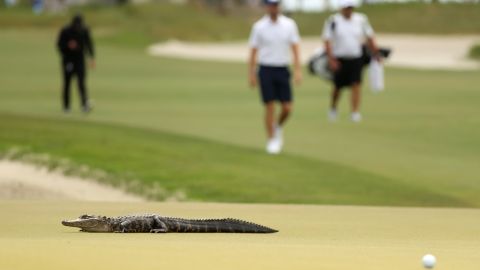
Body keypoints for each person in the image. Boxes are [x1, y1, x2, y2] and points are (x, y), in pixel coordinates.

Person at [248, 0, 302, 154]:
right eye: (271, 5)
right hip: (265, 69)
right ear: (267, 7)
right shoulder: (259, 27)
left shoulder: (289, 25)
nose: (274, 7)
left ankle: (277, 126)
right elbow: (253, 50)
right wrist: (251, 74)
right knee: (269, 106)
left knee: (287, 108)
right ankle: (271, 140)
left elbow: (295, 47)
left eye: (276, 4)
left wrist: (298, 70)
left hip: (282, 68)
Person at [322, 0, 379, 122]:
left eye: (350, 8)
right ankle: (333, 108)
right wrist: (331, 59)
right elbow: (327, 41)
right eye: (346, 8)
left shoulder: (361, 20)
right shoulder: (333, 21)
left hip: (356, 58)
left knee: (356, 85)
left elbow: (370, 37)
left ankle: (355, 112)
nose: (348, 10)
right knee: (337, 88)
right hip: (339, 59)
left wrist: (376, 52)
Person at [57, 14, 95, 113]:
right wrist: (68, 46)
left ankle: (84, 105)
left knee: (81, 83)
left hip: (80, 60)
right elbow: (59, 45)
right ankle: (66, 107)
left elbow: (89, 44)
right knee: (67, 84)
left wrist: (92, 58)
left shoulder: (84, 30)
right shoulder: (66, 31)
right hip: (68, 60)